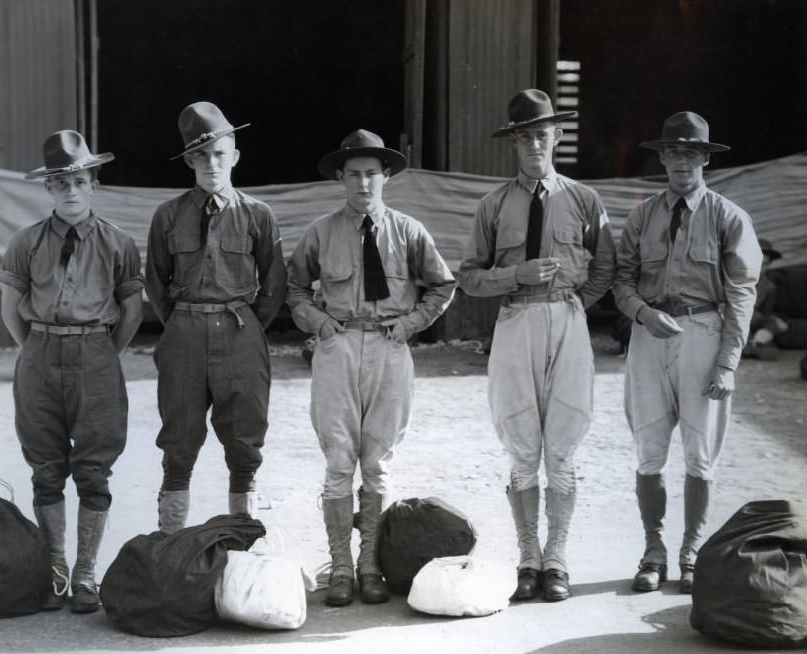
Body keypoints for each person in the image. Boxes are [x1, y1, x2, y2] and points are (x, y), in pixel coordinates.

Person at [457, 89, 615, 602]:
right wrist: (515, 275)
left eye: (541, 134)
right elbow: (469, 278)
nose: (533, 144)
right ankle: (528, 557)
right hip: (515, 319)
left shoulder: (585, 200)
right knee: (523, 448)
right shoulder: (494, 204)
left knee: (563, 449)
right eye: (523, 136)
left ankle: (558, 558)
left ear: (557, 136)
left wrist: (574, 303)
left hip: (566, 321)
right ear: (513, 143)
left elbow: (607, 266)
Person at [287, 129, 456, 606]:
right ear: (340, 178)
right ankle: (340, 566)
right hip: (338, 345)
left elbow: (443, 286)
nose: (364, 184)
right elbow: (294, 287)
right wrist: (319, 324)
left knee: (378, 462)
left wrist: (411, 324)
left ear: (387, 178)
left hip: (390, 345)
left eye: (372, 174)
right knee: (338, 460)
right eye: (354, 174)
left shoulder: (409, 231)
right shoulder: (321, 231)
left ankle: (370, 564)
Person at [614, 111, 762, 594]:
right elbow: (621, 280)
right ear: (662, 158)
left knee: (700, 453)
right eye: (672, 152)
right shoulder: (642, 215)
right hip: (649, 335)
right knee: (648, 448)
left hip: (703, 330)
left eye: (690, 153)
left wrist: (728, 362)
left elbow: (742, 290)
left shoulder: (728, 216)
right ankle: (653, 550)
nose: (681, 162)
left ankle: (691, 551)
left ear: (704, 158)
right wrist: (641, 313)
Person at [0, 130, 143, 613]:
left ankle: (85, 574)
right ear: (49, 189)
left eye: (79, 180)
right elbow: (9, 308)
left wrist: (100, 351)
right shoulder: (26, 243)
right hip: (39, 354)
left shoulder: (119, 244)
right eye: (61, 184)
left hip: (97, 357)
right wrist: (38, 348)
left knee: (94, 468)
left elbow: (132, 310)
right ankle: (56, 571)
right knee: (45, 467)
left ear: (94, 182)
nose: (71, 191)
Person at [145, 101, 286, 532]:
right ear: (189, 159)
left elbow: (274, 282)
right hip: (184, 331)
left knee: (244, 438)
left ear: (235, 157)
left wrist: (244, 323)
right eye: (201, 155)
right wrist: (185, 321)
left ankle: (244, 538)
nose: (211, 164)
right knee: (179, 438)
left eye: (219, 154)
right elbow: (155, 281)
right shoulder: (168, 215)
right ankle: (170, 541)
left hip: (240, 329)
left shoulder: (257, 215)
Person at [742, 238, 788, 359]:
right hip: (727, 322)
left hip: (750, 325)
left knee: (771, 352)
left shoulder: (769, 287)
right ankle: (748, 348)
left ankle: (752, 345)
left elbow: (765, 314)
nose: (759, 268)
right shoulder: (732, 278)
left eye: (764, 264)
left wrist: (772, 325)